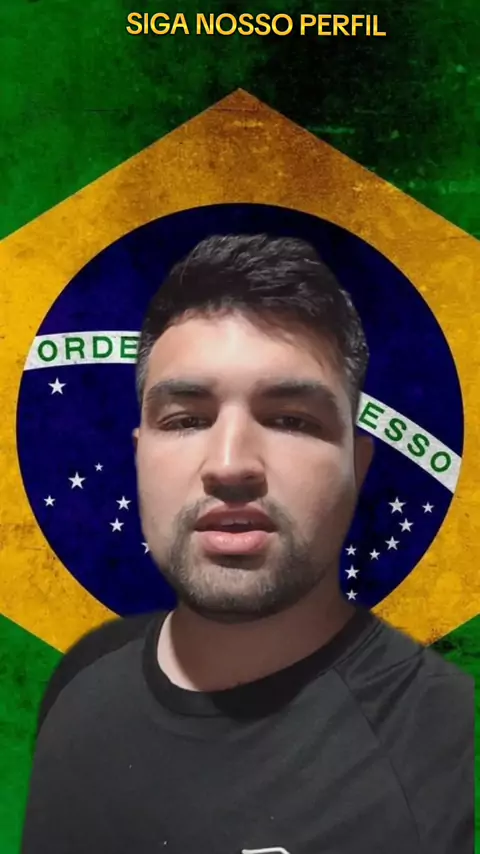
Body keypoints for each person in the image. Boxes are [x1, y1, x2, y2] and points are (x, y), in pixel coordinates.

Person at [21, 234, 473, 854]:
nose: (230, 465)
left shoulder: (450, 747)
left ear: (358, 466)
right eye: (186, 419)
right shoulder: (80, 685)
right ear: (138, 457)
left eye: (290, 419)